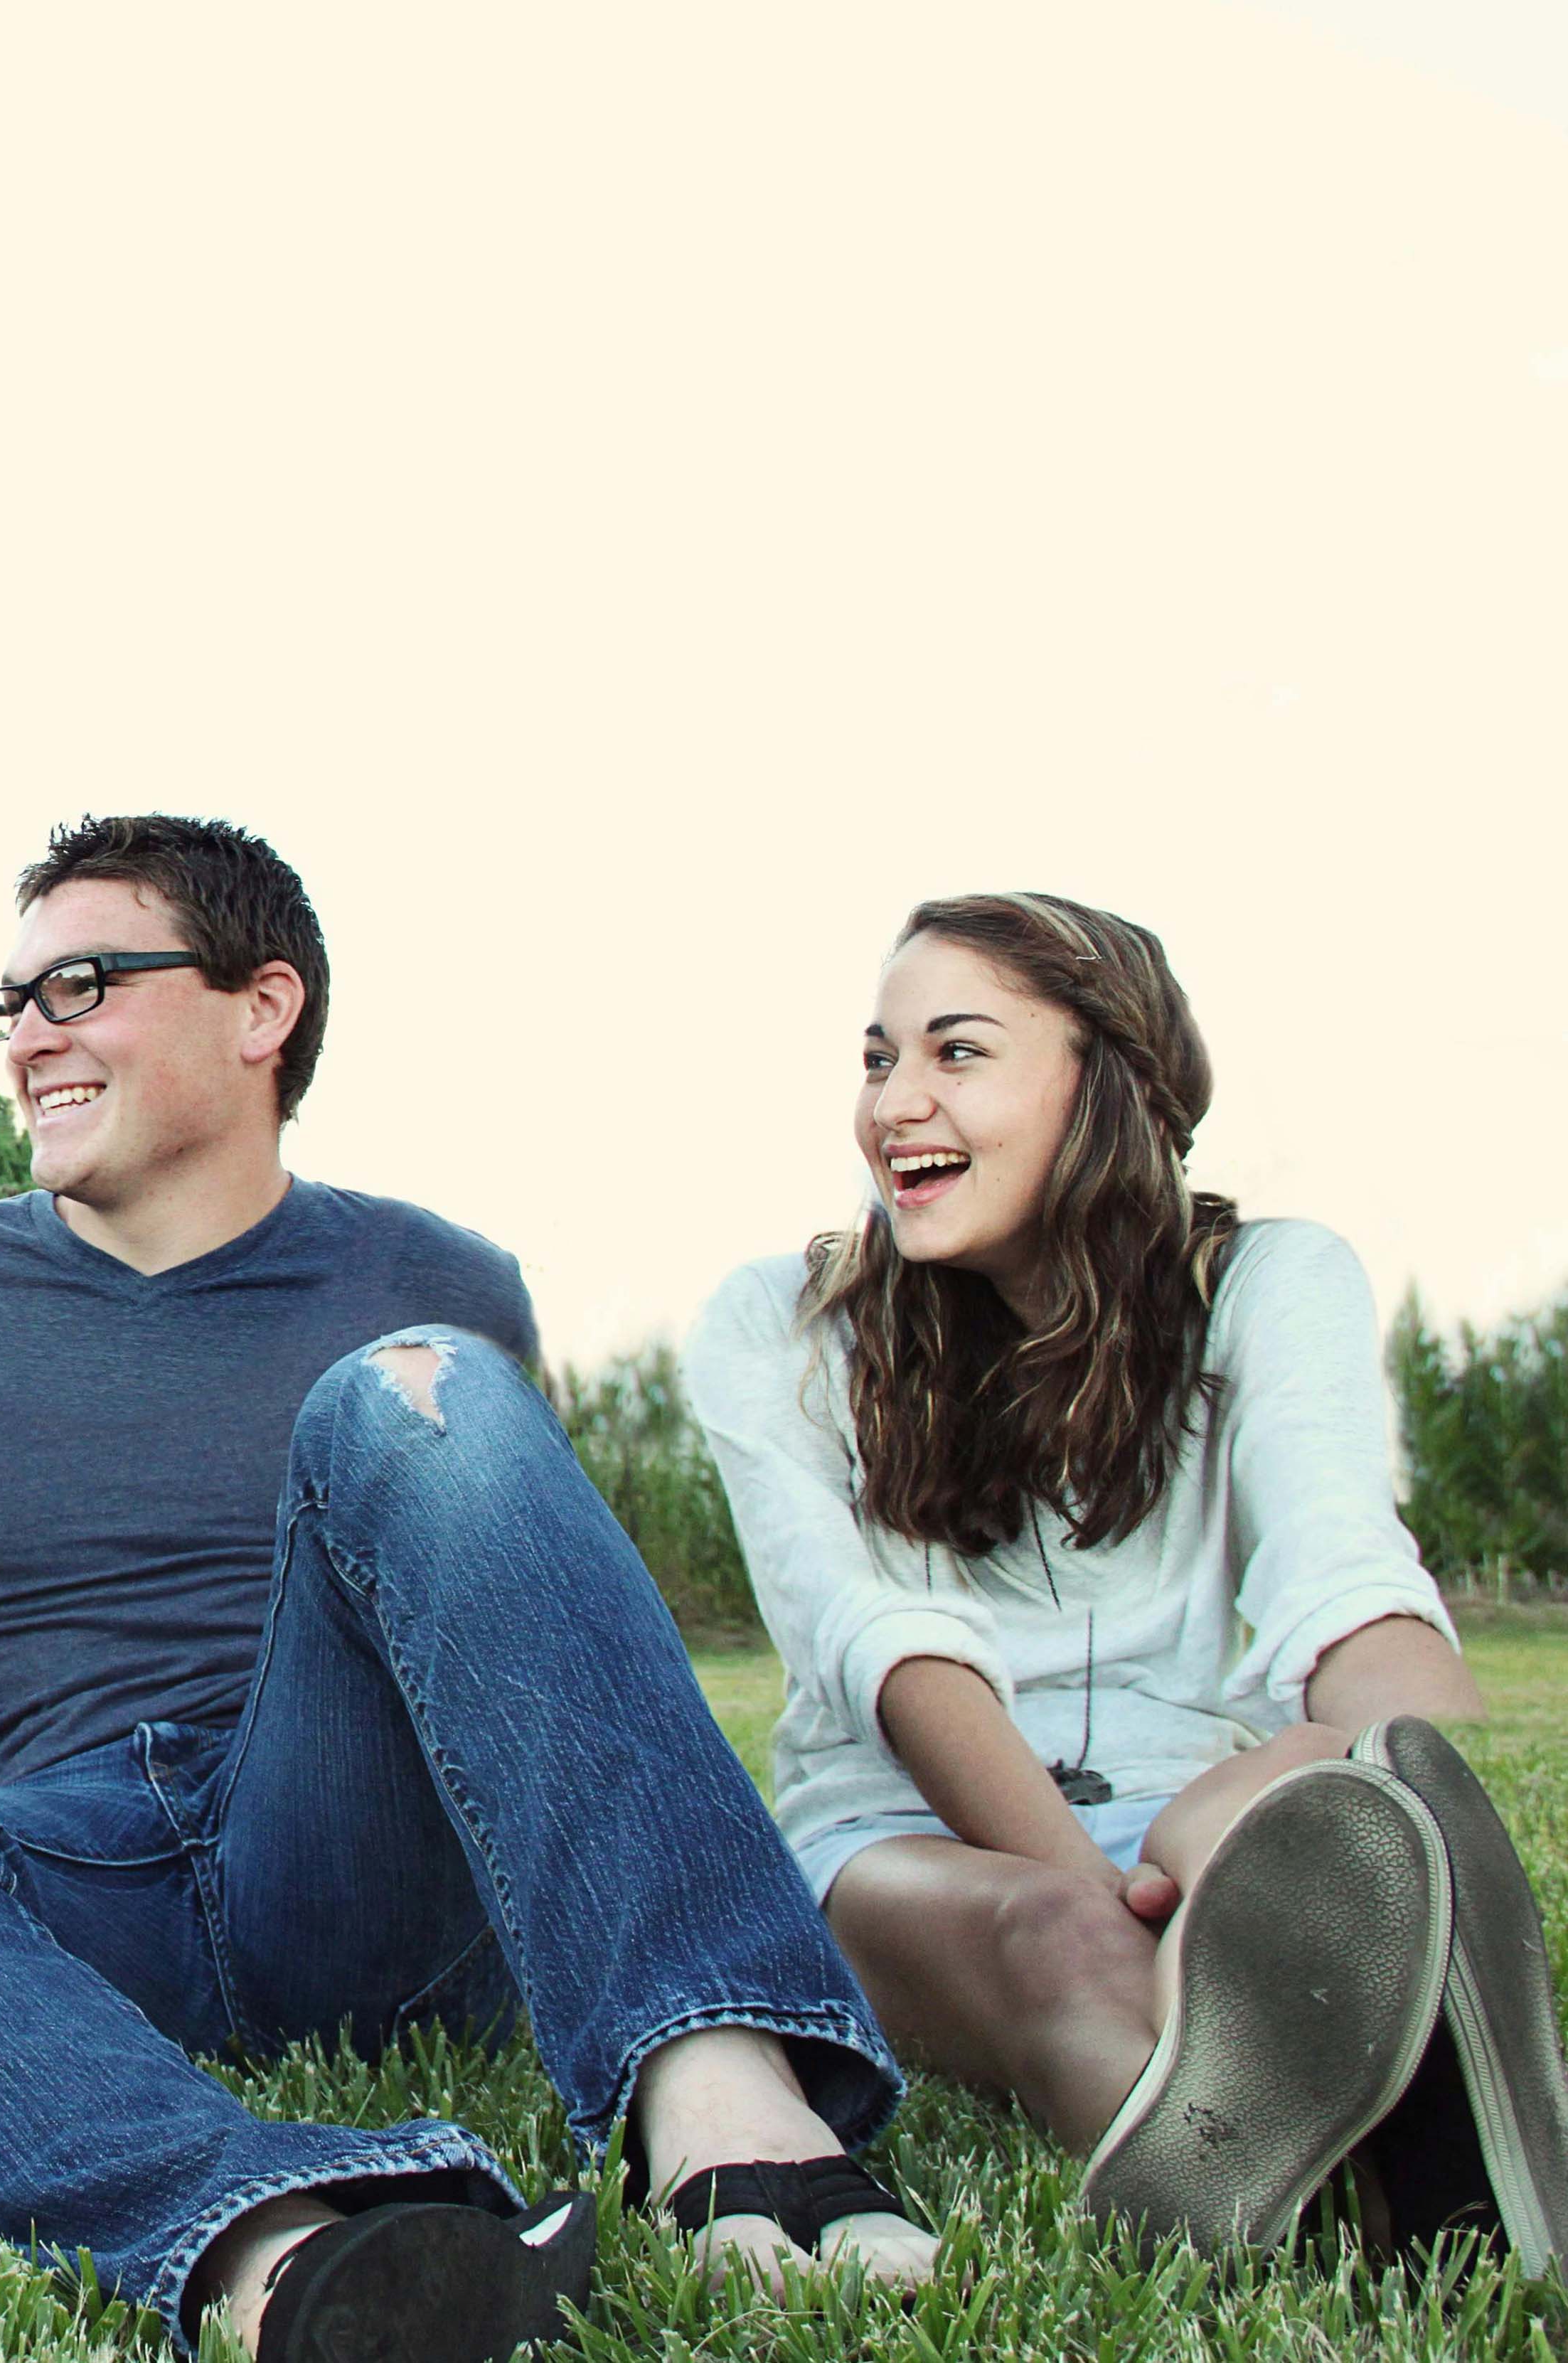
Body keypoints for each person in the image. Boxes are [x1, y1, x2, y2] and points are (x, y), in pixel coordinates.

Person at [0, 816, 939, 2363]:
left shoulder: (442, 1282)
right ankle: (273, 2244)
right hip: (69, 1883)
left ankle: (712, 2082)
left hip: (344, 1855)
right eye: (8, 1002)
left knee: (409, 1393)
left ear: (260, 1009)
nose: (26, 1039)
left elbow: (513, 1634)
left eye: (79, 985)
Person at [684, 890, 1568, 2266]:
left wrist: (1414, 1783)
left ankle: (1412, 2060)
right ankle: (1346, 2214)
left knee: (1277, 1813)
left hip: (1193, 1800)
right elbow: (887, 1651)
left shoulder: (1274, 1282)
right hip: (908, 1831)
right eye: (878, 1059)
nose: (893, 1104)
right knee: (1060, 1942)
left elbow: (1340, 1568)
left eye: (955, 1054)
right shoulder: (780, 1331)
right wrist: (1115, 1904)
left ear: (1106, 1082)